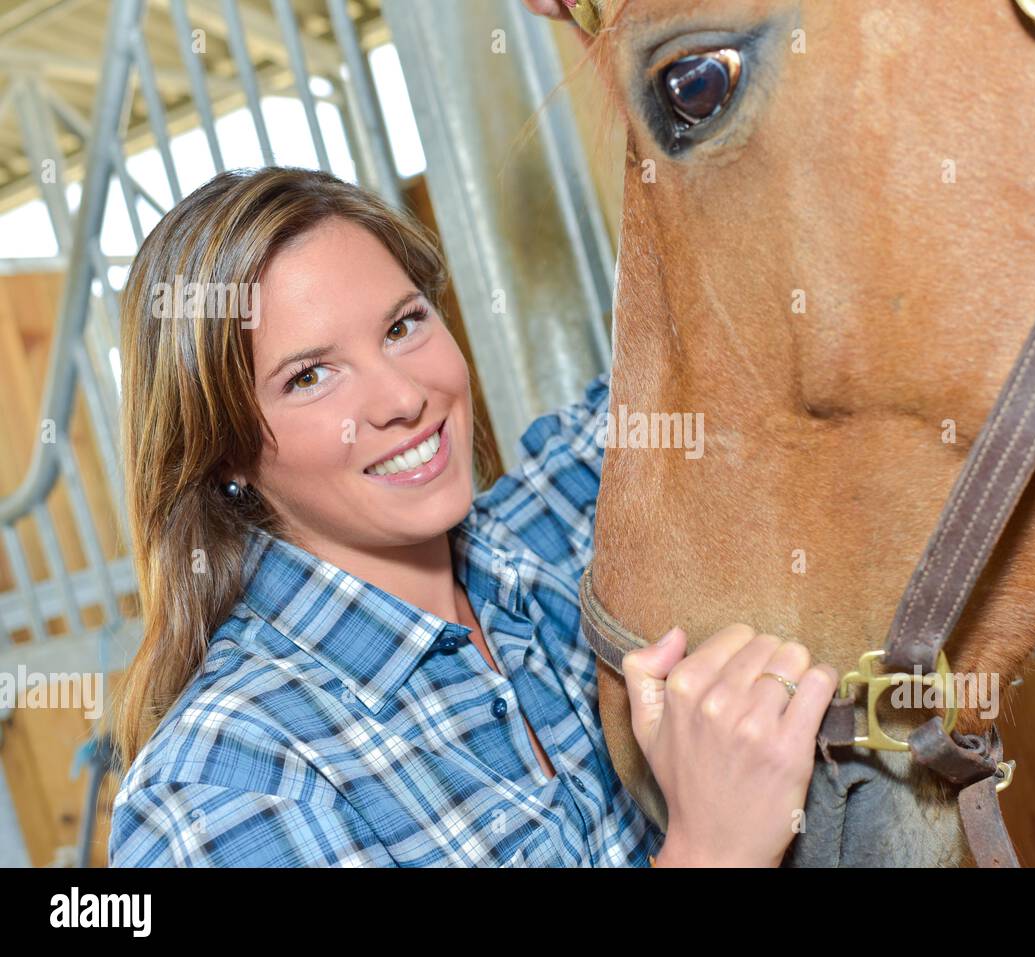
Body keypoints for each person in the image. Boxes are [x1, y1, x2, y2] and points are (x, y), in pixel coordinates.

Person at [105, 165, 836, 868]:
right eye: (310, 376)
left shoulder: (549, 539)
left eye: (401, 326)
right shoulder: (220, 791)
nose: (402, 396)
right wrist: (715, 851)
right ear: (224, 451)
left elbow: (703, 355)